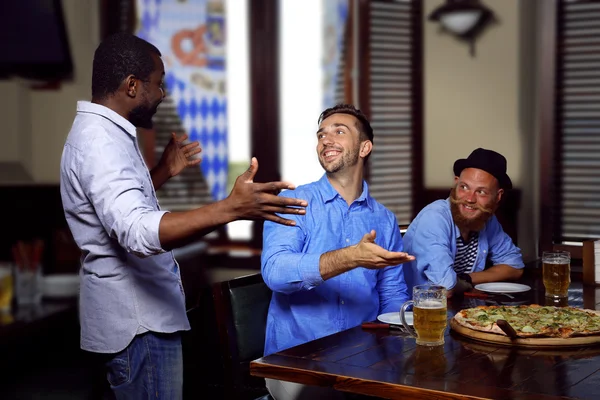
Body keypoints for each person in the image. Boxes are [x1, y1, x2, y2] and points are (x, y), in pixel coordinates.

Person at [59, 32, 307, 399]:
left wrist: (160, 173)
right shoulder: (100, 142)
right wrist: (230, 208)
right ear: (131, 85)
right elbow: (136, 231)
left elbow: (117, 210)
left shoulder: (103, 134)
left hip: (139, 323)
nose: (162, 95)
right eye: (157, 85)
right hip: (138, 328)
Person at [261, 104, 414, 400]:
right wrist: (350, 257)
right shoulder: (293, 201)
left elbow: (392, 295)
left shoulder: (384, 219)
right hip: (296, 363)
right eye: (321, 135)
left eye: (339, 132)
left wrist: (404, 350)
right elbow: (276, 272)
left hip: (364, 359)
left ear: (364, 147)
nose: (325, 140)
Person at [403, 148, 524, 297]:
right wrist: (459, 283)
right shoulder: (434, 218)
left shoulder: (486, 218)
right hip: (416, 312)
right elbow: (445, 286)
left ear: (498, 196)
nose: (469, 199)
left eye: (481, 192)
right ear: (456, 183)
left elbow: (515, 266)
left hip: (460, 310)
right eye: (464, 187)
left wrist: (467, 279)